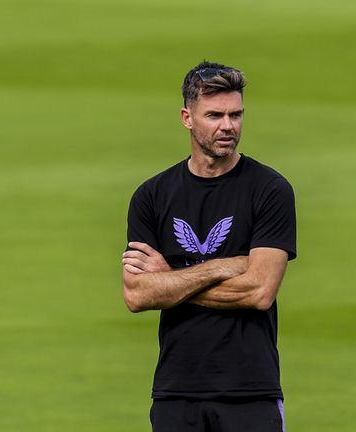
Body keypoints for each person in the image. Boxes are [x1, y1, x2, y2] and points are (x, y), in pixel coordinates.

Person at [121, 61, 296, 431]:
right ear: (187, 117)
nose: (228, 126)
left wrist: (170, 281)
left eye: (236, 114)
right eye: (215, 115)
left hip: (251, 392)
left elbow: (260, 291)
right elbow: (137, 295)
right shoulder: (151, 196)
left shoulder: (270, 190)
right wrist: (225, 266)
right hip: (176, 392)